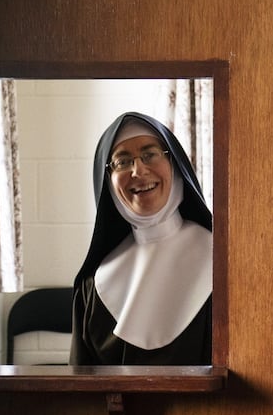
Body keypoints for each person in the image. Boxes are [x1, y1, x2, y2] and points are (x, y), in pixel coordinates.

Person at [69, 111, 213, 365]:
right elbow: (81, 390)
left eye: (150, 154)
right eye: (122, 162)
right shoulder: (93, 285)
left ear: (175, 165)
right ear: (108, 182)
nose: (138, 170)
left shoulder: (224, 263)